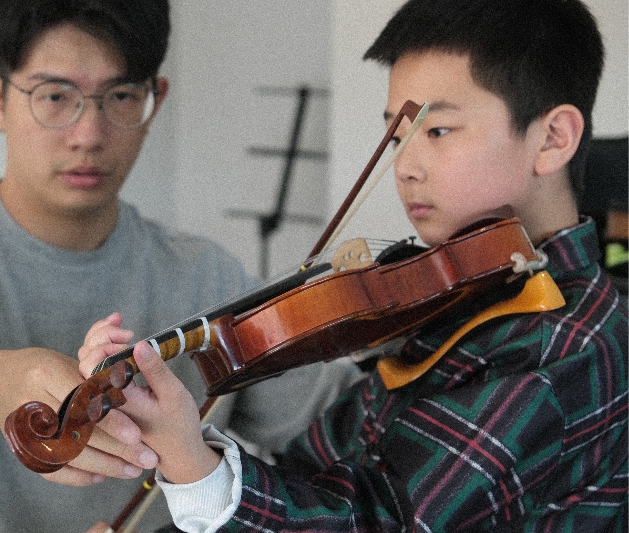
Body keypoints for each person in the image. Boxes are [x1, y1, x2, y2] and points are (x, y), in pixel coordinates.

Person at [79, 0, 628, 530]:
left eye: (437, 131)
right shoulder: (459, 302)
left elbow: (383, 519)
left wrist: (193, 465)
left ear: (552, 138)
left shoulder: (569, 347)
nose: (405, 166)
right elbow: (314, 473)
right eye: (397, 135)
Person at [0, 1, 360, 531]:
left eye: (121, 96)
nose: (89, 134)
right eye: (54, 96)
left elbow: (338, 425)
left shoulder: (206, 276)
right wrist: (1, 383)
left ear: (155, 100)